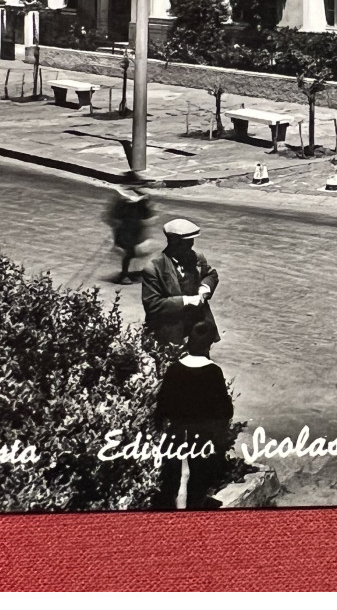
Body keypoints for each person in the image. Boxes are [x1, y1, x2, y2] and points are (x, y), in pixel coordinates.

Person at [153, 321, 233, 509]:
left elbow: (162, 406)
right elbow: (225, 410)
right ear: (208, 345)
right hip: (202, 438)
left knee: (176, 480)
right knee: (197, 480)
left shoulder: (174, 369)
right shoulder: (213, 371)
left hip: (177, 434)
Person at [141, 218, 220, 350]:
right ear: (174, 242)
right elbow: (152, 304)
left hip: (198, 328)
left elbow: (211, 274)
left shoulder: (197, 258)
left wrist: (204, 288)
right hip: (169, 333)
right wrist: (186, 301)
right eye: (187, 242)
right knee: (170, 368)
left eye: (192, 241)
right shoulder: (154, 267)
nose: (191, 246)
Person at [105, 182, 153, 284]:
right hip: (130, 231)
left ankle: (127, 272)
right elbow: (146, 215)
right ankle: (125, 274)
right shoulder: (139, 203)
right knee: (130, 252)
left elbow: (112, 217)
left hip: (128, 230)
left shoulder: (123, 202)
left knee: (131, 252)